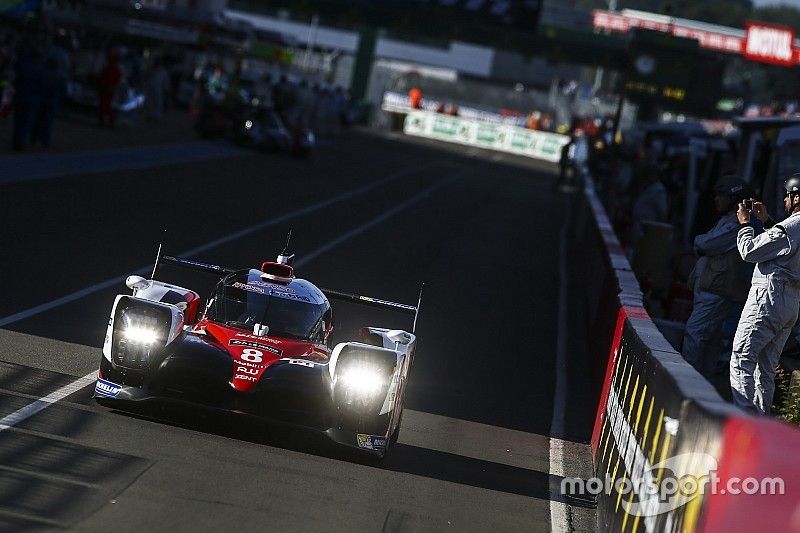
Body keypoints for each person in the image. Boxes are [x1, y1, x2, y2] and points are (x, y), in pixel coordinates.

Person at [731, 173, 800, 414]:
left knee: (741, 359)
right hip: (791, 304)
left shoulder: (791, 226)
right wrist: (767, 220)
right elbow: (786, 249)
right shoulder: (789, 228)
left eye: (788, 196)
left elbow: (749, 251)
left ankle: (744, 422)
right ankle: (759, 426)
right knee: (765, 369)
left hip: (769, 299)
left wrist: (745, 224)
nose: (785, 200)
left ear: (797, 197)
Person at [682, 176, 752, 377]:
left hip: (718, 290)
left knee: (695, 333)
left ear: (733, 199)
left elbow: (706, 244)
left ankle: (687, 381)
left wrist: (698, 242)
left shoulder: (736, 227)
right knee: (709, 339)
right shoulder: (726, 221)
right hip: (711, 287)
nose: (716, 199)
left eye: (721, 195)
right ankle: (701, 381)